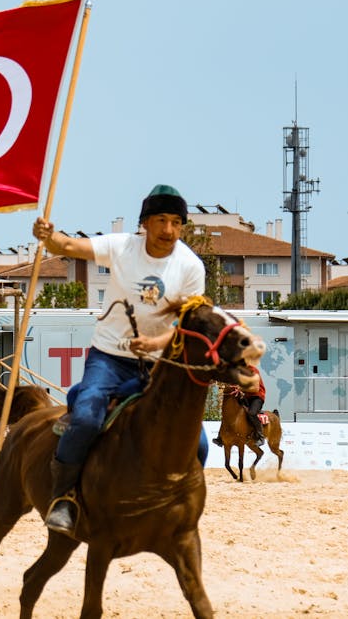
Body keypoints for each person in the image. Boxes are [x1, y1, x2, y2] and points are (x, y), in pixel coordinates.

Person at [32, 184, 206, 537]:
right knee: (85, 419)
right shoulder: (122, 247)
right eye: (161, 220)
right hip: (108, 358)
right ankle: (63, 497)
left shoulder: (190, 266)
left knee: (199, 444)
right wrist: (48, 237)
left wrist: (156, 342)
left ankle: (172, 502)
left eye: (176, 222)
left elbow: (188, 327)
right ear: (144, 223)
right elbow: (67, 246)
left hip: (160, 366)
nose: (168, 230)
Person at [213, 364, 267, 447]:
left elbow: (255, 389)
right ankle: (220, 437)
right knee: (229, 411)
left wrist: (240, 388)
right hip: (246, 396)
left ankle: (260, 436)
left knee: (251, 413)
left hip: (257, 397)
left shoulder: (253, 371)